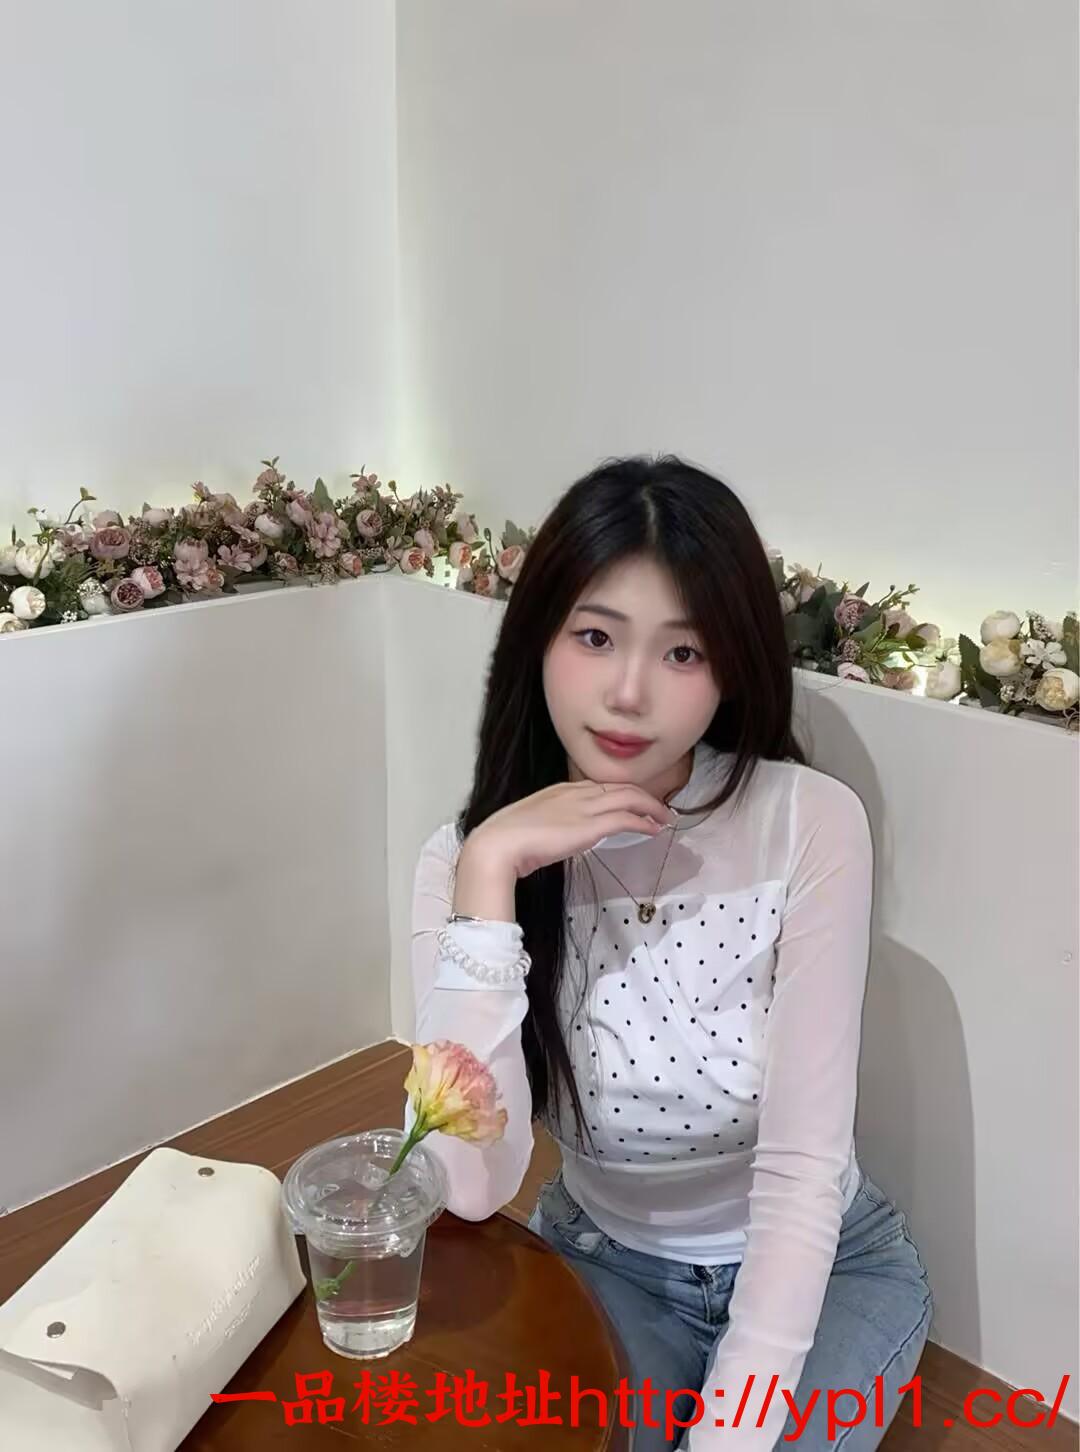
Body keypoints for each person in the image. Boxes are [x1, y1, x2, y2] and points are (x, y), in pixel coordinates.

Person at [407, 455, 933, 1452]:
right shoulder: (465, 862)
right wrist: (490, 880)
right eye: (595, 637)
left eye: (682, 652)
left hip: (826, 1268)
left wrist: (729, 1433)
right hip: (604, 1261)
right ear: (538, 640)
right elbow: (470, 1187)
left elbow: (801, 1169)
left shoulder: (809, 823)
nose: (628, 692)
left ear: (730, 667)